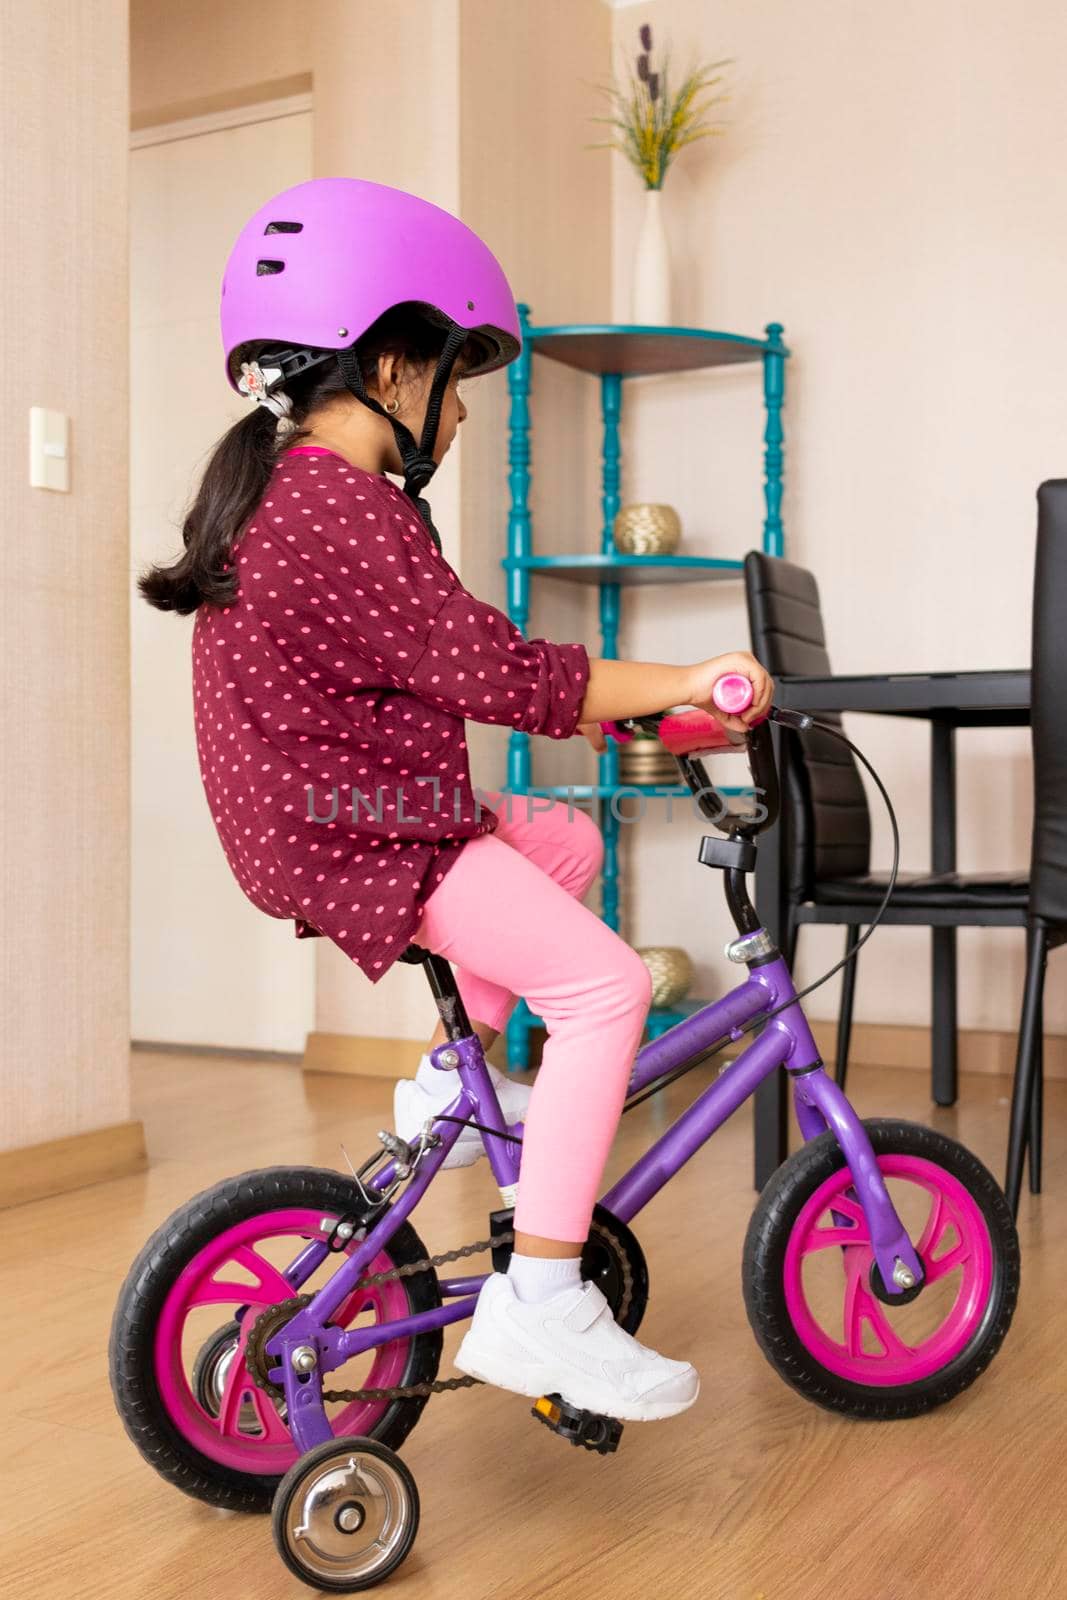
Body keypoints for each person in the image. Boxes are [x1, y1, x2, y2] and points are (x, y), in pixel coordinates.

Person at [138, 177, 774, 1424]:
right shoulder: (341, 503)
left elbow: (466, 670)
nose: (464, 410)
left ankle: (450, 1076)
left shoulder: (297, 494)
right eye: (452, 375)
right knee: (606, 988)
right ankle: (540, 1300)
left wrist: (641, 700)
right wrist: (685, 677)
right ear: (387, 362)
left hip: (341, 819)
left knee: (564, 838)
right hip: (366, 832)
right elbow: (500, 671)